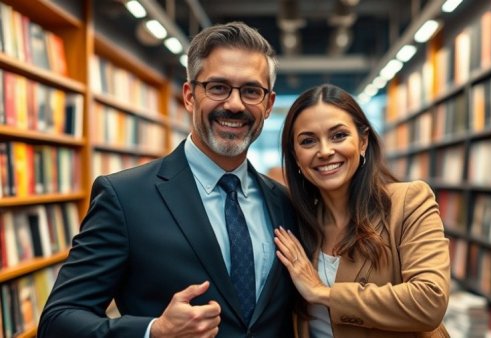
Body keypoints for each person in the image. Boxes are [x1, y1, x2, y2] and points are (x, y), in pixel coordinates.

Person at [38, 22, 297, 338]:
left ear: (268, 104)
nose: (234, 104)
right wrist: (153, 331)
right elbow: (58, 321)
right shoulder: (125, 197)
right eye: (217, 87)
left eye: (251, 91)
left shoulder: (284, 202)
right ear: (189, 96)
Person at [274, 84, 451, 338]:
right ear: (296, 156)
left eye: (338, 136)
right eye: (308, 141)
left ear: (363, 142)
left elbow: (429, 301)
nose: (324, 151)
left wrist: (322, 292)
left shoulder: (408, 202)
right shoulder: (294, 221)